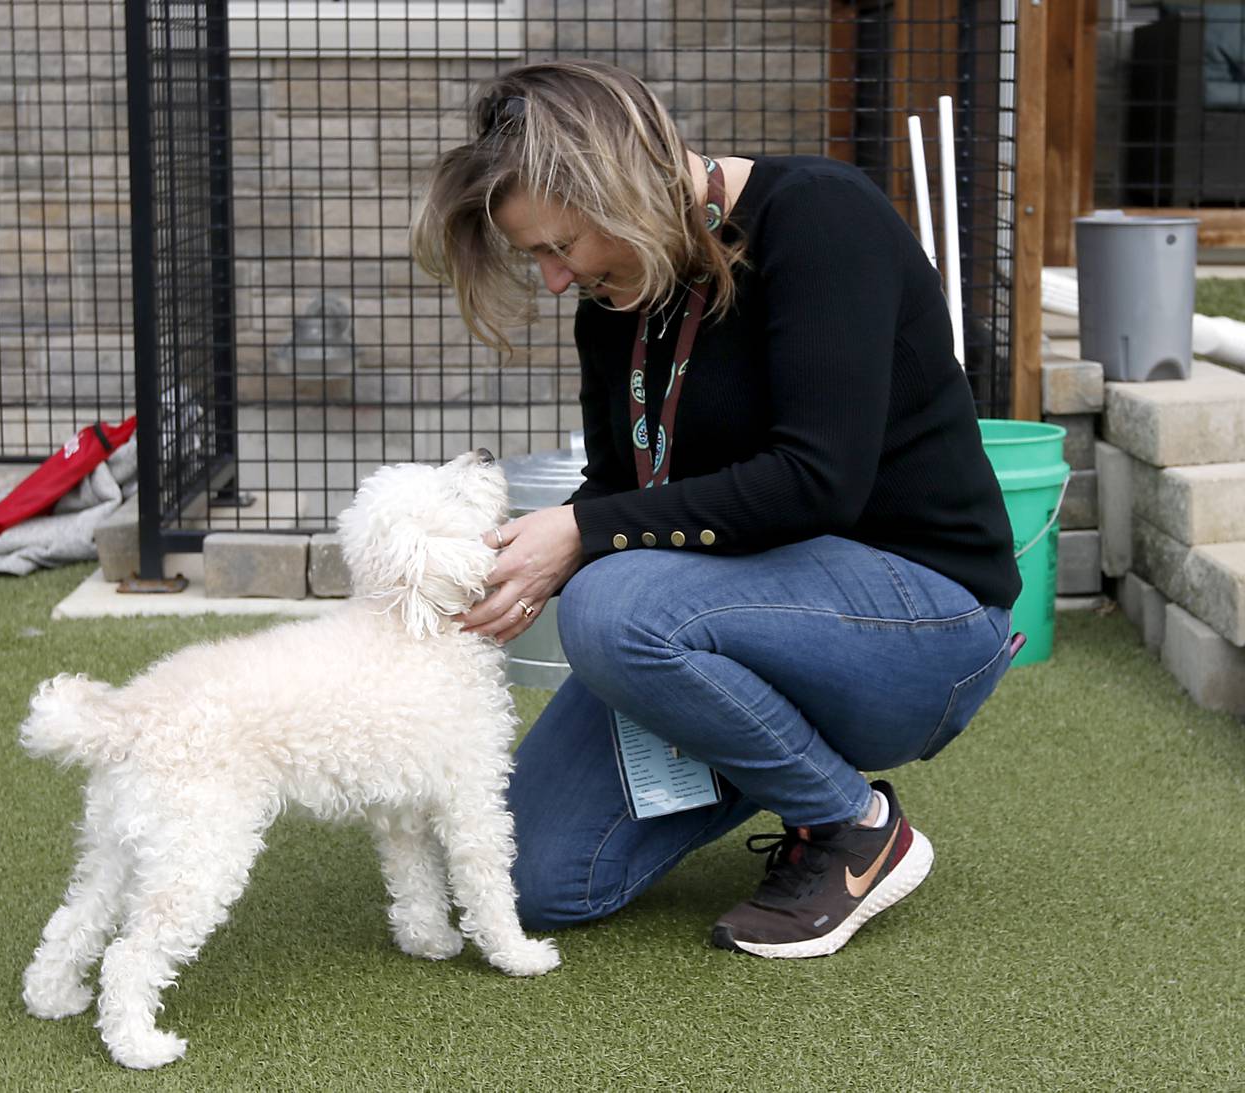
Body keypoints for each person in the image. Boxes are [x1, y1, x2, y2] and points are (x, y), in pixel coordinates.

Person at [410, 59, 1021, 959]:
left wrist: (579, 537)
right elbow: (624, 486)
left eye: (560, 245)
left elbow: (817, 481)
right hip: (735, 614)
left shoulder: (821, 218)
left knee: (614, 606)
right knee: (526, 880)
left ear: (619, 192)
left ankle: (853, 827)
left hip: (924, 622)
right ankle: (751, 741)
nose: (550, 279)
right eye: (533, 255)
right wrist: (513, 559)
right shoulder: (613, 294)